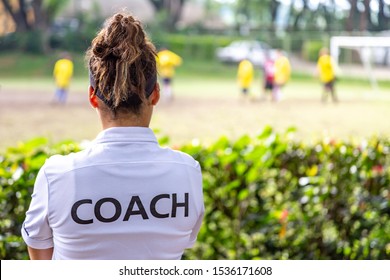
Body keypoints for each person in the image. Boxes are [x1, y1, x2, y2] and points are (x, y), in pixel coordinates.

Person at [21, 13, 204, 260]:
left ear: (92, 96)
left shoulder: (57, 175)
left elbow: (39, 252)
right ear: (156, 95)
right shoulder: (187, 172)